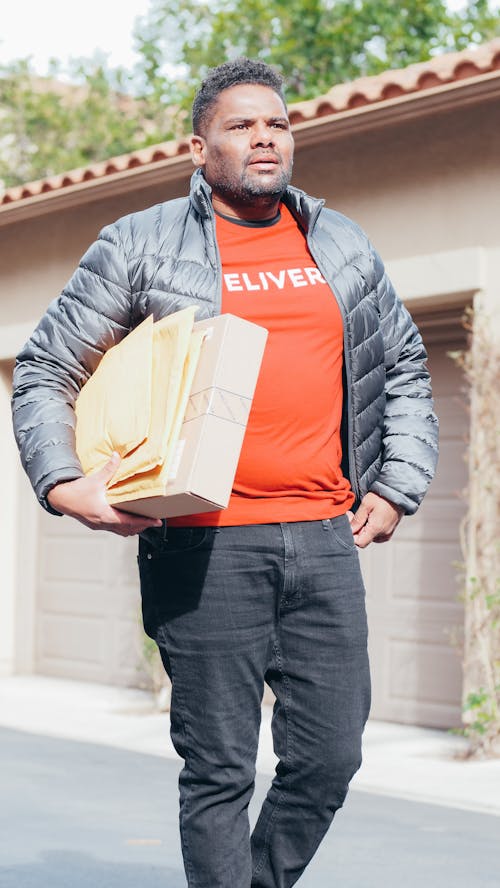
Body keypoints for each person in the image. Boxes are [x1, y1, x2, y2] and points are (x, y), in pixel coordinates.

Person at [12, 58, 438, 888]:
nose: (263, 137)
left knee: (330, 757)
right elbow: (44, 369)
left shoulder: (342, 243)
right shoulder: (139, 242)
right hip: (204, 549)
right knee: (220, 772)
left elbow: (408, 370)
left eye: (276, 123)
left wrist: (396, 486)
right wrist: (65, 485)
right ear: (199, 147)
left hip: (322, 541)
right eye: (241, 126)